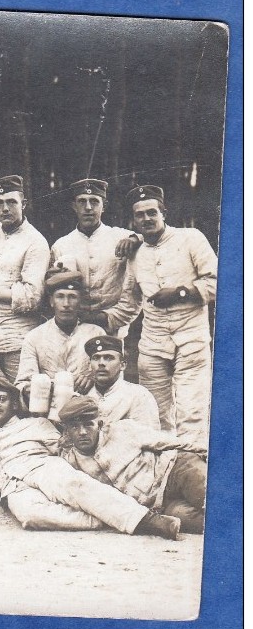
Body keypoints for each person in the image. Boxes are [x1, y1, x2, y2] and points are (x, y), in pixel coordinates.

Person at [0, 377, 182, 539]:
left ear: (14, 405)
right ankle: (108, 518)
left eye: (2, 400)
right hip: (13, 488)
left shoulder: (35, 424)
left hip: (42, 467)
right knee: (30, 516)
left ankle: (149, 521)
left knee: (77, 486)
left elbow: (64, 444)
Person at [125, 184, 217, 444]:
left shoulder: (191, 238)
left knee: (192, 413)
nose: (146, 219)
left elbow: (219, 282)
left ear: (164, 212)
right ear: (134, 220)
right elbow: (130, 299)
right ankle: (162, 475)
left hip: (191, 339)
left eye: (152, 212)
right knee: (154, 414)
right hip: (153, 343)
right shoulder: (135, 252)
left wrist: (180, 293)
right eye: (140, 215)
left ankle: (191, 472)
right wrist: (102, 320)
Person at [58, 397, 208, 534]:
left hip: (176, 470)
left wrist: (204, 452)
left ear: (100, 424)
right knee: (195, 522)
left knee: (212, 501)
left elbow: (168, 441)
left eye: (88, 425)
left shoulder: (123, 430)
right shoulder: (70, 463)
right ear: (67, 432)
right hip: (161, 503)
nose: (82, 432)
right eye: (75, 427)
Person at [0, 175, 50, 380]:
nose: (5, 208)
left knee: (20, 394)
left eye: (11, 202)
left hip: (18, 338)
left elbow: (32, 296)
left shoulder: (35, 242)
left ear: (23, 204)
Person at [50, 178, 141, 336]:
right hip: (74, 326)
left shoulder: (121, 237)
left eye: (94, 201)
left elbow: (153, 239)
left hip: (112, 327)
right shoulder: (61, 245)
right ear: (74, 206)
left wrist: (135, 239)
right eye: (82, 202)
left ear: (104, 206)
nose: (88, 208)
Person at [14, 268, 105, 398]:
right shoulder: (35, 337)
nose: (66, 304)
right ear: (51, 301)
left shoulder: (96, 333)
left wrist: (93, 379)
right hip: (48, 405)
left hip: (88, 403)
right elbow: (22, 383)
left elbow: (110, 375)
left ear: (80, 302)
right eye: (60, 297)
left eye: (72, 297)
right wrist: (31, 389)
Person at [83, 335, 159, 427]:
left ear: (122, 365)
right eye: (96, 358)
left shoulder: (138, 395)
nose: (101, 363)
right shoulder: (83, 395)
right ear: (89, 365)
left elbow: (148, 436)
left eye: (108, 358)